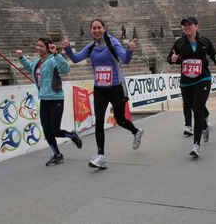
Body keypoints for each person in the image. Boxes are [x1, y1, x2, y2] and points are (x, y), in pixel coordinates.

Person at [63, 19, 144, 169]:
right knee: (99, 121)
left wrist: (130, 50)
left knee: (120, 119)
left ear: (104, 28)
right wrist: (67, 49)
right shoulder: (91, 46)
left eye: (99, 27)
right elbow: (75, 59)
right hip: (100, 88)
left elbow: (125, 60)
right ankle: (101, 156)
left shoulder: (112, 42)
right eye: (94, 28)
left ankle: (136, 131)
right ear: (91, 30)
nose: (96, 30)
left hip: (116, 87)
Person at [16, 38, 83, 166]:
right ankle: (57, 155)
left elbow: (65, 70)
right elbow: (30, 68)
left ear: (48, 48)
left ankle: (72, 136)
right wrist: (21, 57)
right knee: (47, 131)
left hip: (56, 98)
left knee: (55, 130)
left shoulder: (53, 60)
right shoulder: (38, 61)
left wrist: (56, 54)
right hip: (44, 99)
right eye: (37, 45)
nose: (38, 48)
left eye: (41, 46)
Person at [167, 17, 216, 157]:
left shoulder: (204, 41)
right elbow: (171, 58)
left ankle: (196, 145)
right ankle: (205, 128)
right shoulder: (180, 42)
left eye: (189, 25)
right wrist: (173, 59)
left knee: (197, 110)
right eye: (184, 25)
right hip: (186, 81)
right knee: (193, 107)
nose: (186, 27)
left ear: (196, 26)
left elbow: (214, 56)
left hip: (203, 78)